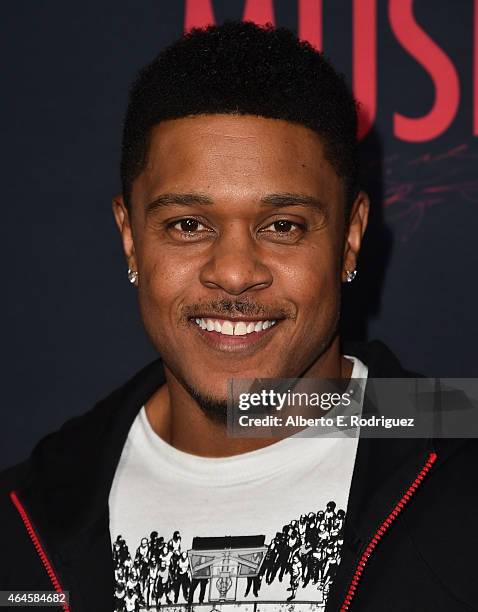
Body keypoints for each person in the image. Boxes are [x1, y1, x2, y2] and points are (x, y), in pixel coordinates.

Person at [0, 19, 476, 612]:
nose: (232, 272)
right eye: (187, 225)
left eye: (282, 227)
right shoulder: (29, 513)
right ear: (129, 237)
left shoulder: (459, 457)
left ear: (350, 237)